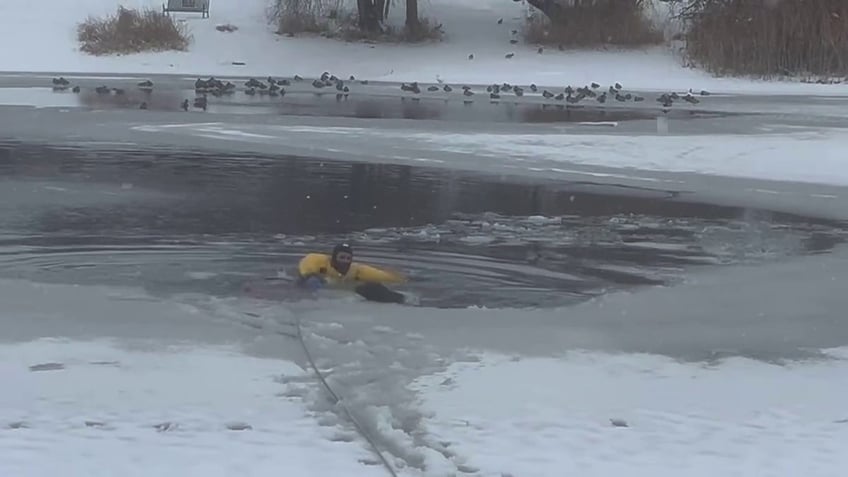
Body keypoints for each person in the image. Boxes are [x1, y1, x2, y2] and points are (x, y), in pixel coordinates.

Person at [296, 243, 407, 304]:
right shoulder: (320, 261)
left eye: (348, 258)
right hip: (316, 286)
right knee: (310, 281)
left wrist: (403, 279)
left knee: (372, 287)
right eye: (342, 257)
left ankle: (401, 300)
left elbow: (381, 275)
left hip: (340, 289)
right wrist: (310, 275)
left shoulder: (356, 271)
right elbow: (306, 264)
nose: (345, 261)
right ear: (334, 258)